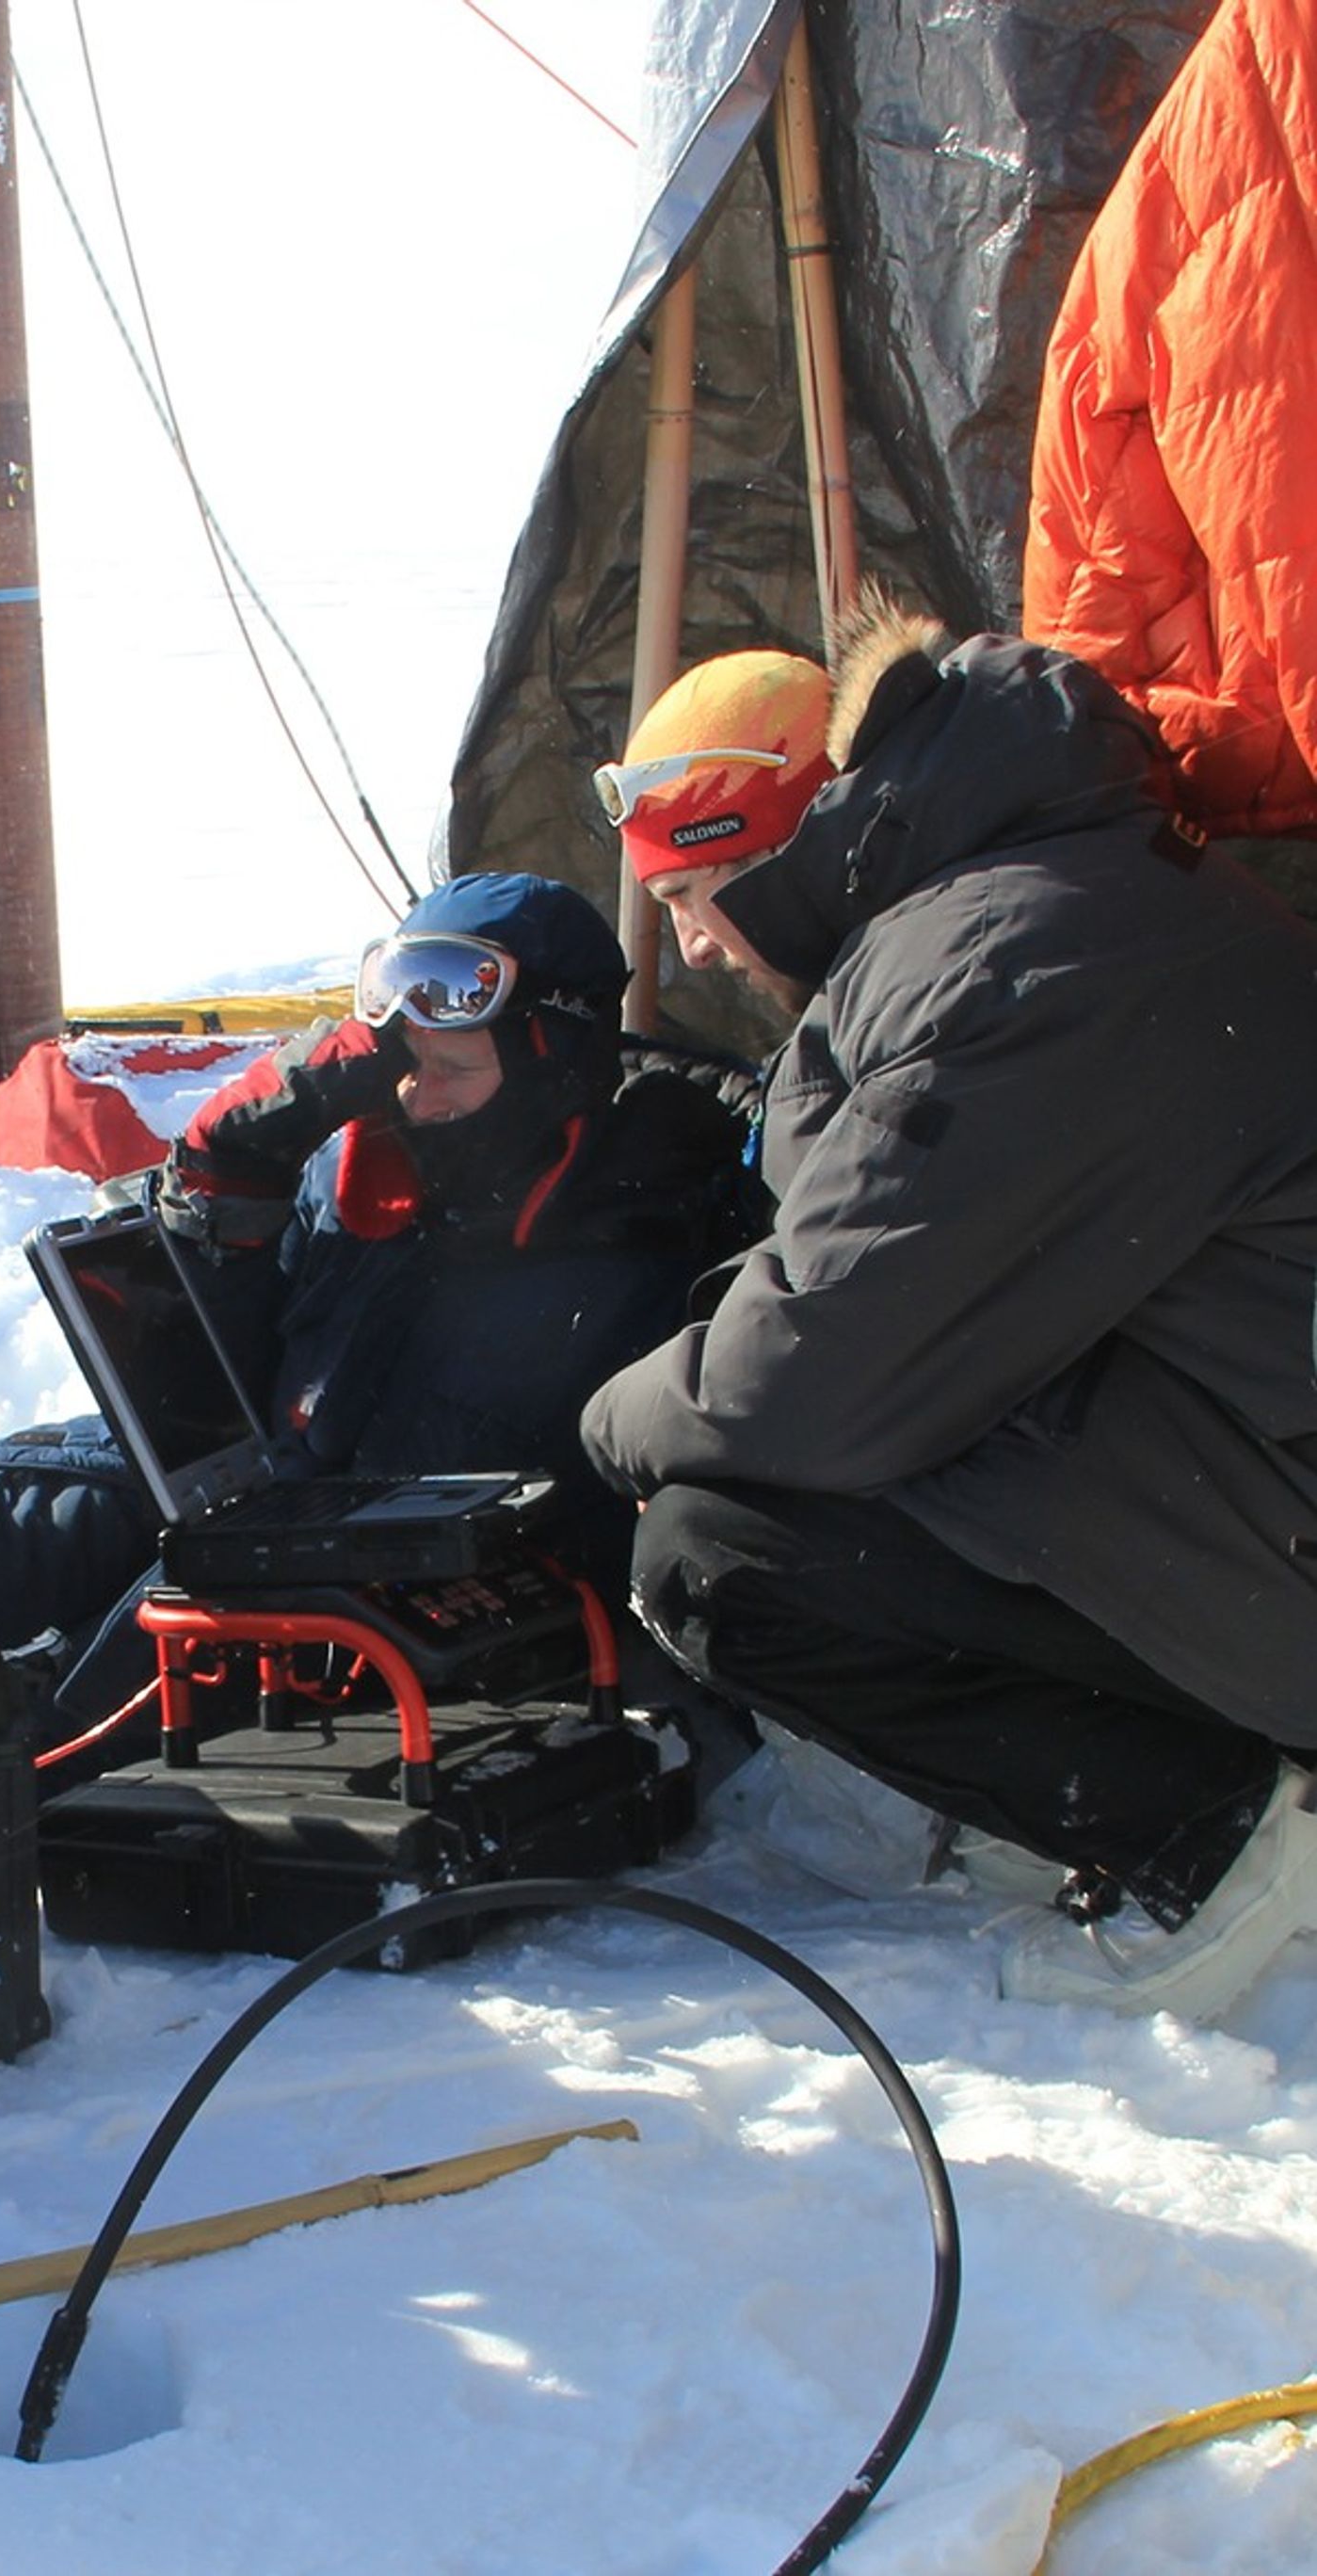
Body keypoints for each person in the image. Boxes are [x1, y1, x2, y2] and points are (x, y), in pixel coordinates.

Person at [583, 594, 1317, 2021]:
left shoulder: (1015, 952)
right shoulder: (1067, 897)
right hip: (1259, 1476)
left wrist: (609, 1418)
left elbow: (811, 1376)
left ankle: (1217, 1826)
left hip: (1282, 1528)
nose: (700, 954)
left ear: (785, 843)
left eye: (687, 901)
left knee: (718, 1552)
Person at [0, 872, 768, 1742]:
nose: (421, 1099)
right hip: (263, 1504)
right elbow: (234, 1378)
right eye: (406, 1066)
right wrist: (227, 1185)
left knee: (50, 1728)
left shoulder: (653, 1216)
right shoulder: (362, 1169)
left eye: (454, 1069)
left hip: (428, 1592)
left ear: (554, 1063)